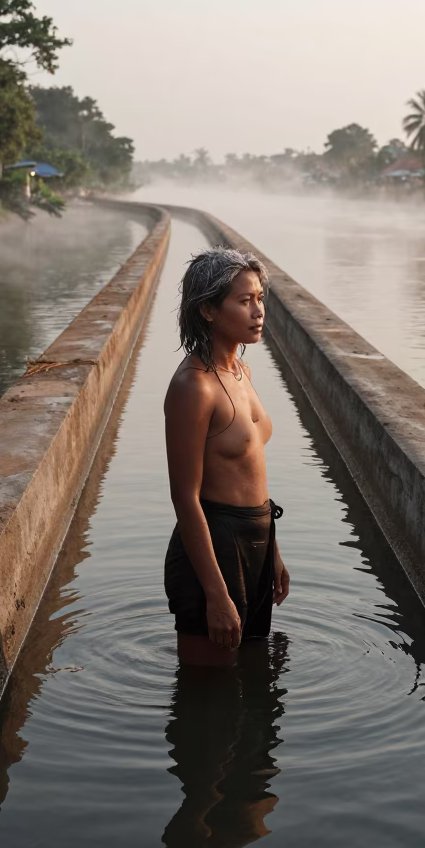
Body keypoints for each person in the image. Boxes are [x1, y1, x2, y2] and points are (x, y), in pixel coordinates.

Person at [164, 247, 289, 666]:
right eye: (243, 300)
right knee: (207, 696)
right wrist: (216, 594)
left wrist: (272, 551)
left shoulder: (241, 372)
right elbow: (185, 498)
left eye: (259, 298)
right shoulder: (194, 387)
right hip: (214, 547)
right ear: (209, 311)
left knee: (252, 680)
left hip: (256, 538)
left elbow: (250, 468)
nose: (258, 311)